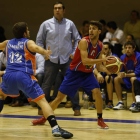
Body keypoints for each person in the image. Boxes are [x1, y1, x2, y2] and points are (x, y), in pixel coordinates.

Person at [31, 20, 113, 129]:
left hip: (87, 74)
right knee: (59, 99)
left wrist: (109, 70)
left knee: (97, 93)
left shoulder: (100, 45)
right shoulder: (84, 41)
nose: (91, 30)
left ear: (99, 31)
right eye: (90, 28)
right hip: (74, 73)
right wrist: (102, 61)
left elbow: (99, 67)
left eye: (93, 28)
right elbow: (85, 61)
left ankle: (100, 120)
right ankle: (45, 118)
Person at [0, 22, 73, 139]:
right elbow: (35, 48)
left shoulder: (7, 43)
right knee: (43, 102)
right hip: (24, 76)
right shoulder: (28, 42)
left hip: (9, 76)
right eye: (28, 30)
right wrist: (45, 52)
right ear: (24, 33)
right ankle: (55, 128)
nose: (29, 32)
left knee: (1, 96)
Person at [36, 2, 81, 115]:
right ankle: (42, 108)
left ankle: (76, 108)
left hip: (67, 58)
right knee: (47, 84)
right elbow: (39, 41)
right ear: (53, 10)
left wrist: (74, 52)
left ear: (64, 10)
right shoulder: (46, 24)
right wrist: (43, 54)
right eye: (55, 8)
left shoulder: (70, 24)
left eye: (59, 8)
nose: (57, 10)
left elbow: (78, 39)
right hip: (51, 58)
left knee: (72, 82)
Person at [113, 41, 140, 111]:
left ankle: (134, 102)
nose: (127, 49)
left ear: (134, 49)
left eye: (129, 48)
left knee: (133, 79)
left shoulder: (138, 56)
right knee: (116, 79)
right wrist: (119, 74)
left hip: (137, 78)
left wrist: (125, 75)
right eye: (126, 48)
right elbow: (121, 71)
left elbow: (136, 73)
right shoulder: (122, 57)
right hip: (127, 77)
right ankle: (120, 102)